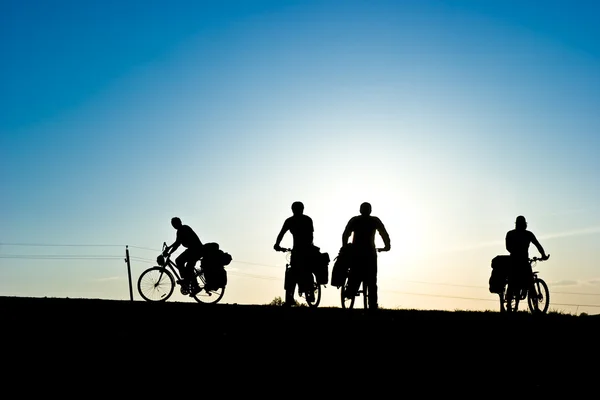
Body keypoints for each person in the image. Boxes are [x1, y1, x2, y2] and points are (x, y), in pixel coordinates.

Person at [342, 202, 391, 310]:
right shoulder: (374, 220)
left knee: (355, 274)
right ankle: (373, 305)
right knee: (372, 280)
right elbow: (383, 233)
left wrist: (345, 246)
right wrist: (387, 246)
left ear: (360, 210)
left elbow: (346, 233)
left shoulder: (355, 220)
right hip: (370, 253)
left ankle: (350, 291)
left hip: (357, 252)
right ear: (370, 210)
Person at [274, 201, 315, 307]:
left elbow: (282, 233)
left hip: (303, 250)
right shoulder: (302, 220)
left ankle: (299, 295)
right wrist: (277, 244)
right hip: (303, 250)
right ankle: (293, 297)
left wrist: (277, 245)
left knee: (295, 272)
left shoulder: (294, 220)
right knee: (295, 272)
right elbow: (282, 233)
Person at [505, 215, 549, 311]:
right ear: (524, 224)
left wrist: (515, 252)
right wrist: (543, 255)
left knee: (513, 283)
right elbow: (538, 245)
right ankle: (535, 308)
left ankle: (509, 304)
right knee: (530, 284)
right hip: (522, 261)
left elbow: (508, 247)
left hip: (514, 261)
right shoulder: (528, 234)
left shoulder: (510, 234)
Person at [164, 217, 204, 295]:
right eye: (173, 224)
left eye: (174, 223)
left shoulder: (184, 228)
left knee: (182, 262)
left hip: (196, 250)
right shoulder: (180, 231)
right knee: (185, 264)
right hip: (193, 250)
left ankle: (193, 285)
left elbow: (177, 243)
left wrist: (169, 251)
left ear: (179, 222)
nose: (174, 225)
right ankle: (188, 280)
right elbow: (177, 243)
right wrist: (169, 250)